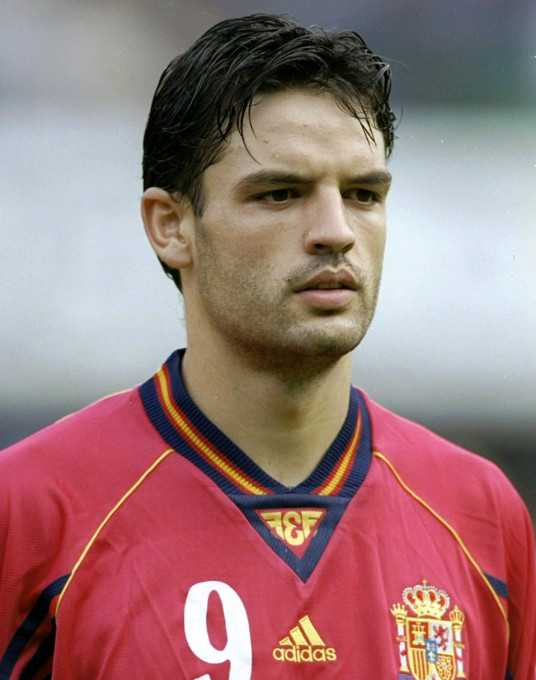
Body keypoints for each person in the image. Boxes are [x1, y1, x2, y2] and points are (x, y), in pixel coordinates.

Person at [0, 13, 534, 680]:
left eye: (363, 194)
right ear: (171, 227)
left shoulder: (480, 514)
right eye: (280, 194)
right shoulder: (31, 510)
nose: (336, 231)